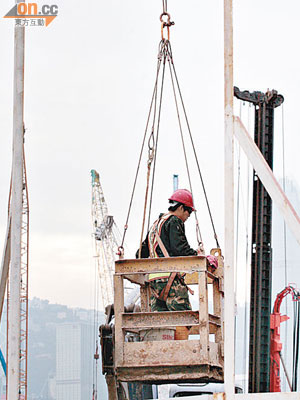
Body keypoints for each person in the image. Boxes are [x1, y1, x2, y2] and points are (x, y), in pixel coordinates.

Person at [137, 189, 199, 312]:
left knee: (161, 323)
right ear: (181, 208)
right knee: (184, 319)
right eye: (189, 212)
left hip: (154, 283)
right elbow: (180, 249)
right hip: (170, 279)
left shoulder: (157, 224)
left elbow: (141, 253)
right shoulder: (174, 221)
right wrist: (197, 255)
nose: (188, 217)